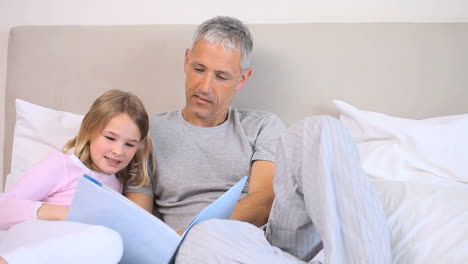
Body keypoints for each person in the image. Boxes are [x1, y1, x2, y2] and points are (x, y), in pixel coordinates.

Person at [126, 16, 392, 263]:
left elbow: (264, 201)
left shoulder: (261, 125)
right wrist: (183, 239)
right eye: (199, 69)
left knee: (321, 129)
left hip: (270, 239)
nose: (205, 87)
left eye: (221, 76)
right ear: (186, 61)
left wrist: (193, 230)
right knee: (204, 237)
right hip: (198, 250)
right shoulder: (148, 132)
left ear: (242, 79)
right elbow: (138, 223)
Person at [0, 89, 155, 264]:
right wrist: (62, 213)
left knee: (111, 243)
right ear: (90, 130)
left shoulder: (119, 183)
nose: (118, 151)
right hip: (34, 240)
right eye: (110, 138)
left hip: (74, 252)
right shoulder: (64, 165)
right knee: (108, 240)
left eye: (129, 144)